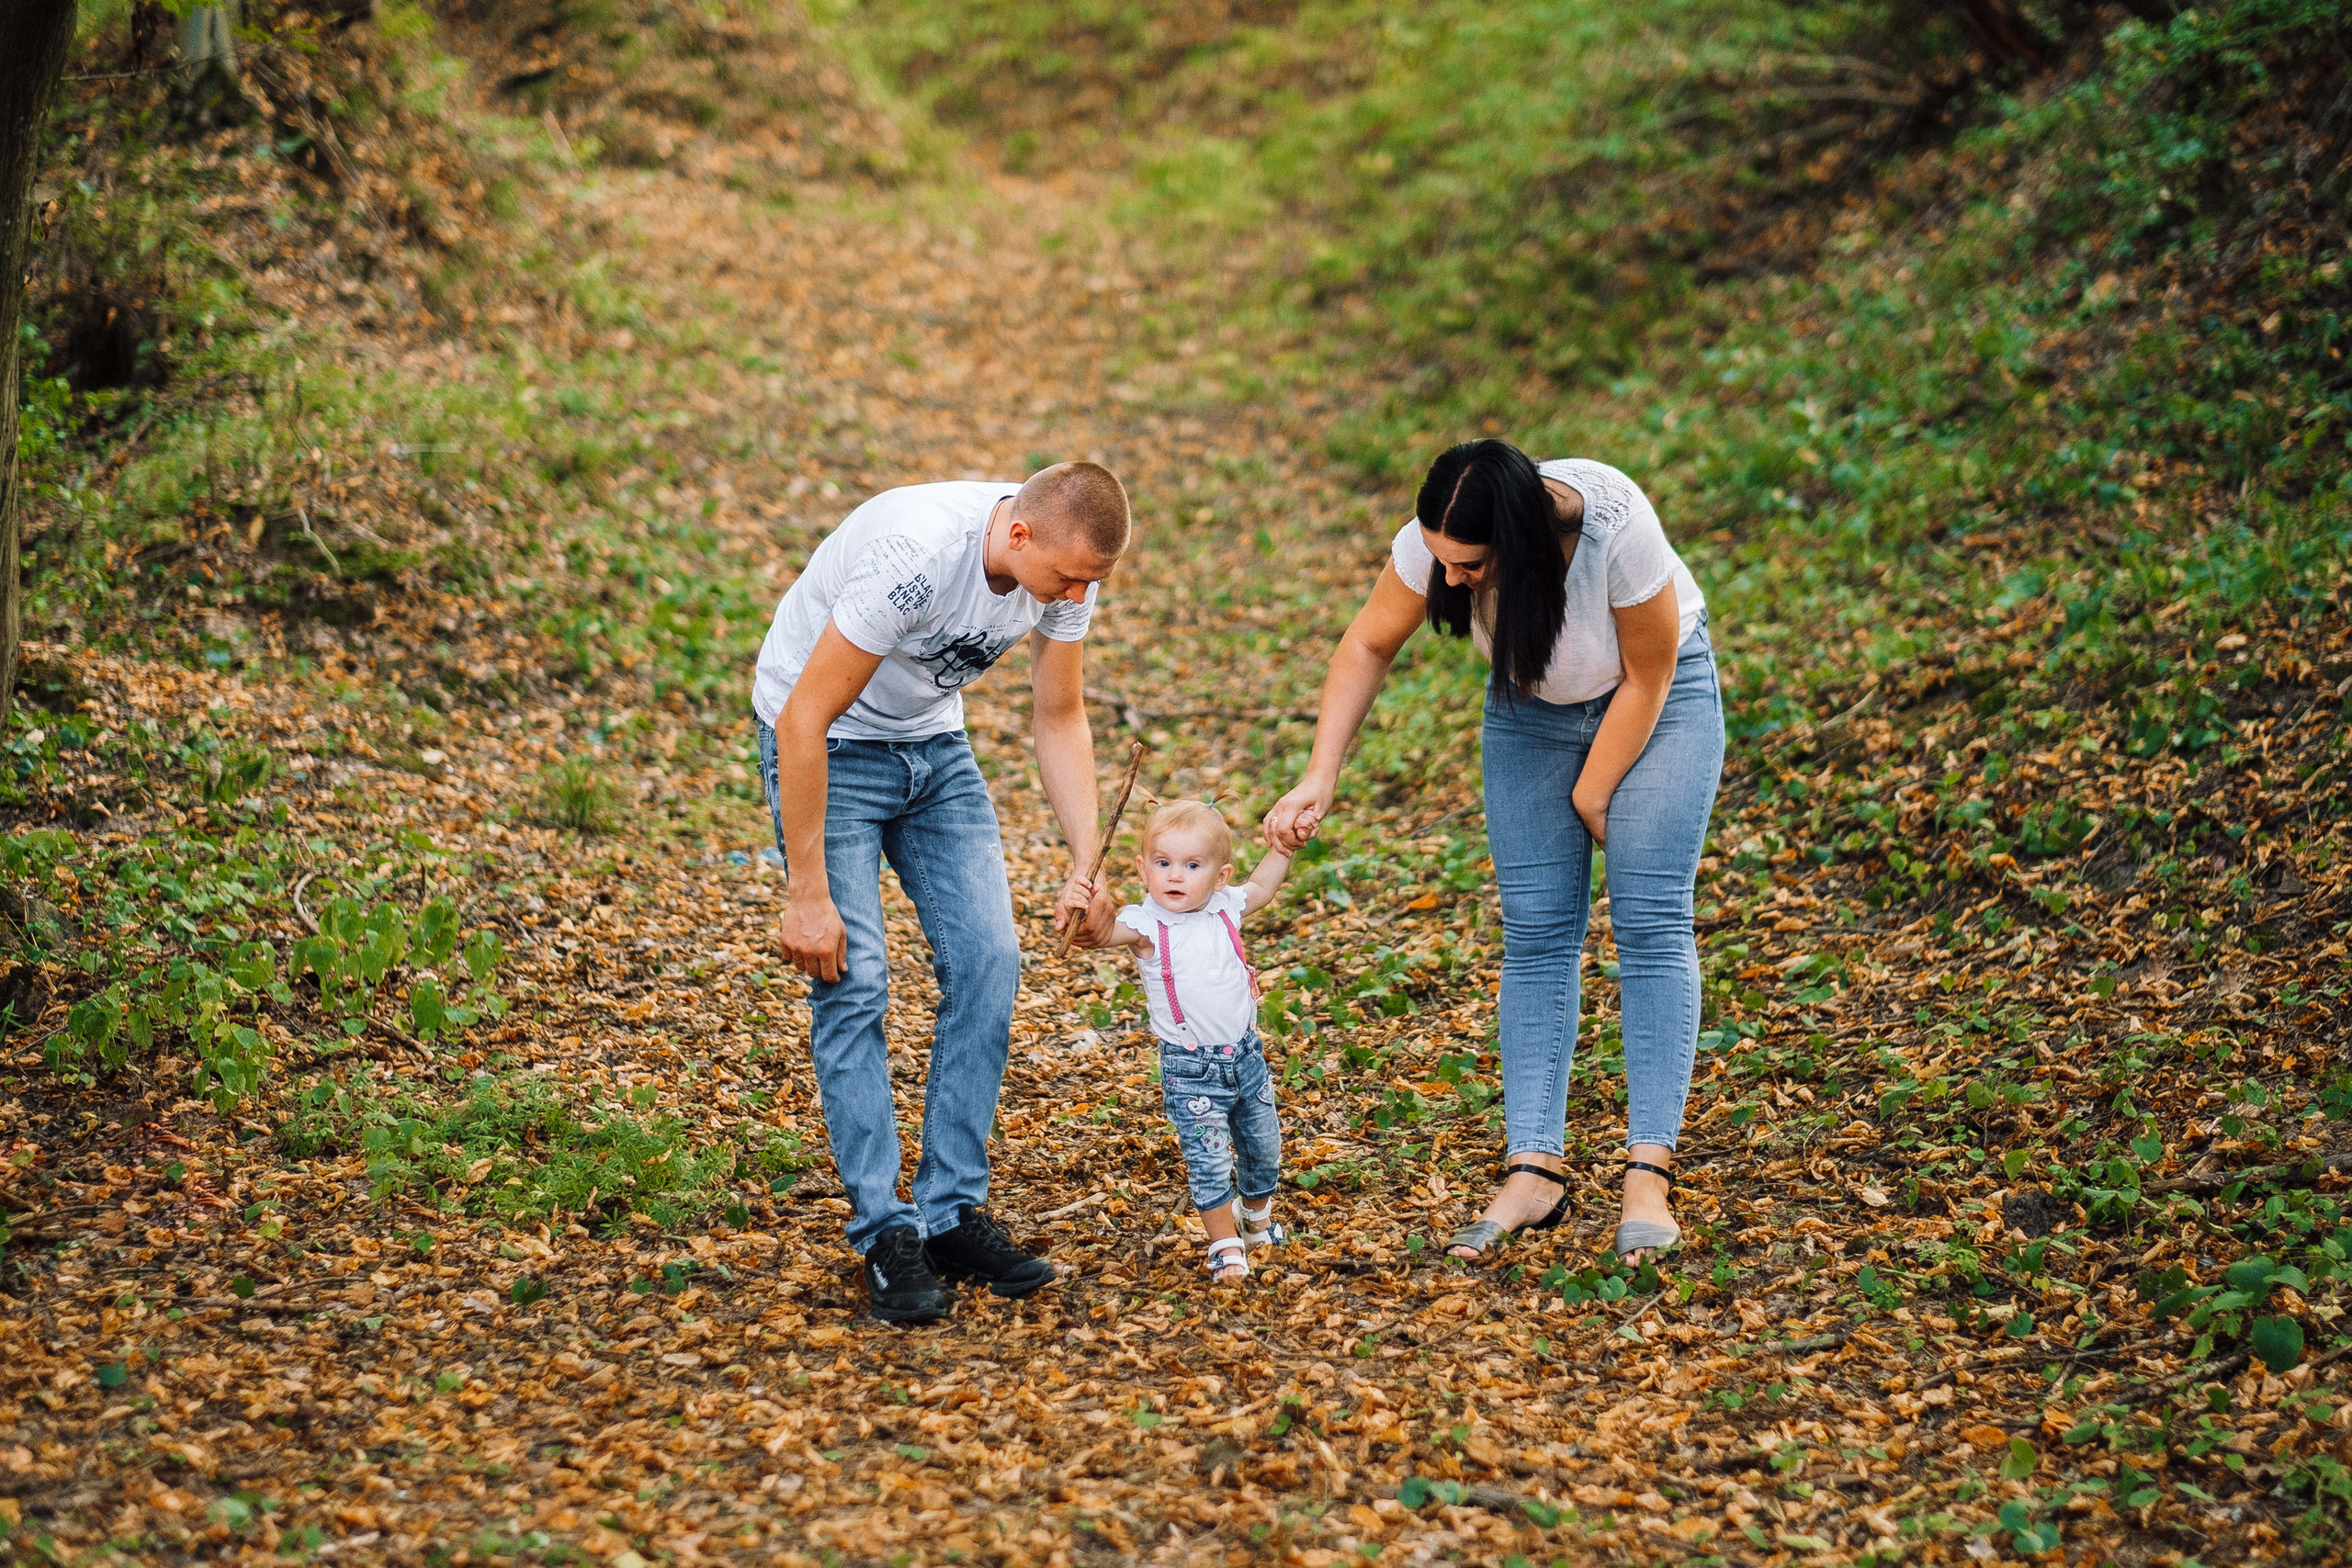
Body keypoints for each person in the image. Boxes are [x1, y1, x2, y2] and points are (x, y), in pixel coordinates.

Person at [1262, 440, 1723, 1264]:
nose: (1451, 581)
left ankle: (1648, 1170)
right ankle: (1533, 1166)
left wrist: (1591, 792)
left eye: (1469, 565)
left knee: (1651, 922)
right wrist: (1319, 774)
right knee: (1538, 932)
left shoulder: (1616, 522)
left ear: (1520, 538)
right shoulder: (1435, 543)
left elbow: (1649, 678)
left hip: (1661, 702)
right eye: (1441, 561)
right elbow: (1367, 643)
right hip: (1530, 708)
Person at [753, 463, 1128, 1324]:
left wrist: (1086, 860)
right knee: (856, 978)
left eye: (1090, 583)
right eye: (1066, 577)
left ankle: (952, 1213)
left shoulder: (1067, 574)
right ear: (1018, 535)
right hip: (830, 744)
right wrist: (806, 891)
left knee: (990, 961)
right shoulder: (916, 556)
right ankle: (886, 1232)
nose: (1074, 595)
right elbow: (802, 718)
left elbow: (1060, 713)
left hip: (932, 750)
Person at [1070, 800, 1295, 1282]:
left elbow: (1261, 888)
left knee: (1263, 1146)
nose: (1175, 876)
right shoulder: (1146, 924)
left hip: (1245, 1058)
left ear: (1219, 876)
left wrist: (1283, 850)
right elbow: (1101, 931)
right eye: (1163, 863)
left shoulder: (1225, 907)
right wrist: (1085, 904)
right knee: (1209, 1156)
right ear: (1142, 867)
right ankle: (1224, 1246)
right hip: (1191, 1069)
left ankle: (1255, 1221)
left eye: (1192, 866)